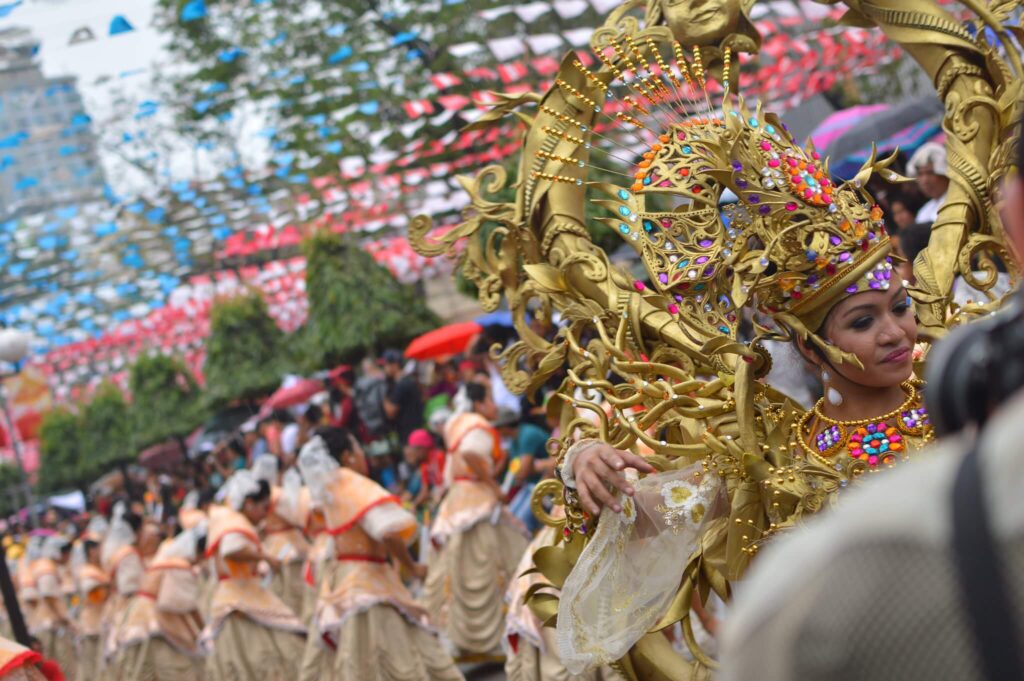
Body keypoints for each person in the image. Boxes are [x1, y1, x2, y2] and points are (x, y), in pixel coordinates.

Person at [717, 116, 1024, 681]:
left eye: (900, 307)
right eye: (864, 321)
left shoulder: (969, 384)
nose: (894, 333)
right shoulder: (782, 453)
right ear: (811, 350)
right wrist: (583, 457)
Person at [297, 427, 464, 681]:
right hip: (368, 583)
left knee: (360, 659)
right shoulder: (353, 485)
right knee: (400, 652)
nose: (362, 455)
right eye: (357, 449)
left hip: (345, 580)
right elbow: (386, 531)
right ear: (347, 456)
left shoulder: (330, 488)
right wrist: (411, 565)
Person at [423, 381, 529, 660]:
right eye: (490, 400)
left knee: (458, 563)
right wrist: (494, 486)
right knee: (498, 557)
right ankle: (503, 634)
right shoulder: (479, 425)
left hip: (458, 497)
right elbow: (471, 453)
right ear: (480, 403)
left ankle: (461, 638)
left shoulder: (456, 423)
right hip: (476, 498)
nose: (494, 406)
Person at [201, 471, 306, 681]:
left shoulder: (228, 518)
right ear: (249, 503)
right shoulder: (234, 523)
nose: (265, 514)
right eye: (263, 507)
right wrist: (265, 556)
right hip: (240, 600)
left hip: (237, 597)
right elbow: (231, 550)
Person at [107, 525, 205, 681]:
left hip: (138, 617)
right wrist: (203, 630)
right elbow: (184, 605)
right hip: (156, 621)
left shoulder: (164, 559)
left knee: (142, 666)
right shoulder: (179, 564)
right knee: (174, 667)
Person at [494, 410, 554, 532]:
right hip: (531, 484)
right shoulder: (514, 439)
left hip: (545, 482)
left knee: (521, 522)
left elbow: (523, 472)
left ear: (505, 426)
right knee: (510, 516)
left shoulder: (526, 435)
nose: (496, 431)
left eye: (498, 427)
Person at [28, 536, 75, 679]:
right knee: (57, 663)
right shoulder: (46, 568)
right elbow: (48, 595)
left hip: (48, 623)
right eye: (66, 553)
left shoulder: (47, 566)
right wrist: (64, 618)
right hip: (49, 624)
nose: (68, 557)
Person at [382, 349, 425, 449]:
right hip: (416, 429)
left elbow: (390, 412)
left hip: (408, 433)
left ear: (395, 365)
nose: (384, 368)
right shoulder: (409, 380)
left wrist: (383, 396)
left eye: (386, 365)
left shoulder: (401, 384)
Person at [907, 142, 950, 223]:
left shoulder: (958, 201)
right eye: (920, 174)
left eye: (930, 173)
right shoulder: (923, 213)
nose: (925, 180)